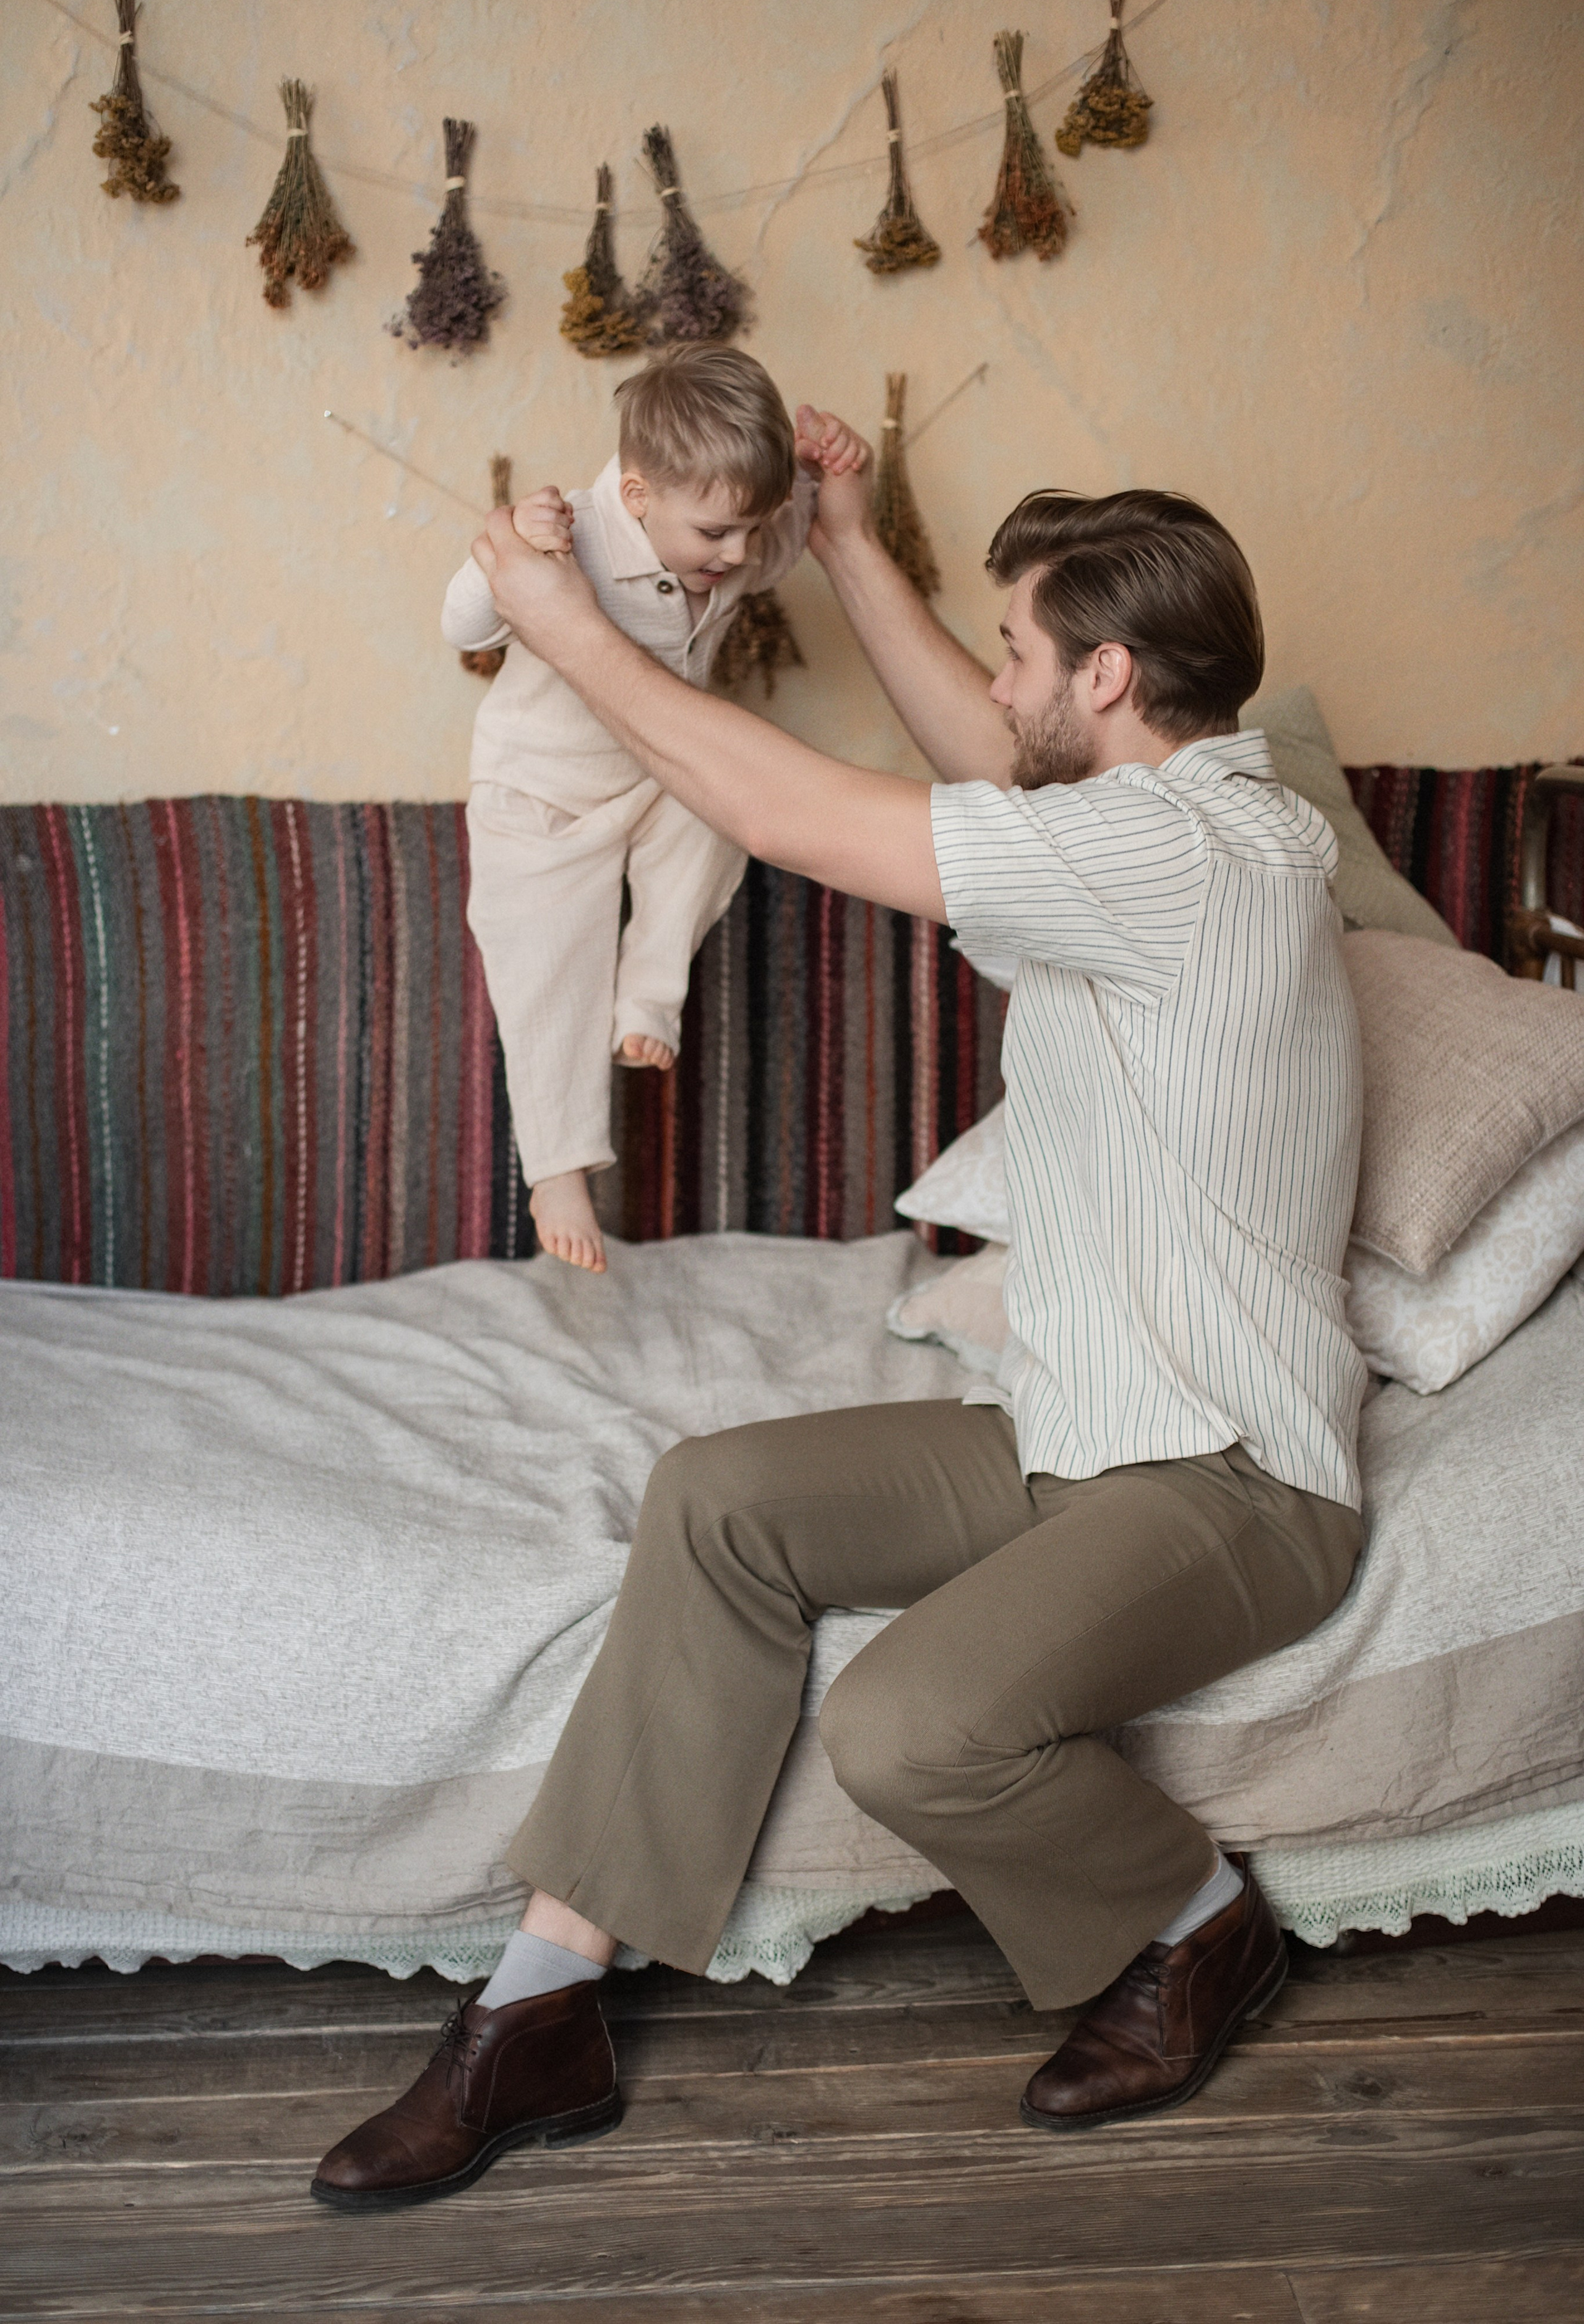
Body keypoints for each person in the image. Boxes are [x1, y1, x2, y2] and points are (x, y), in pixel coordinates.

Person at [312, 457, 1368, 2211]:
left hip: (1237, 1478)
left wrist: (567, 628)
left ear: (1109, 676)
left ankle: (1198, 1924)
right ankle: (542, 2006)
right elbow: (990, 755)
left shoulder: (1185, 853)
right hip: (1080, 1430)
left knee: (906, 1725)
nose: (998, 683)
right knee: (720, 1499)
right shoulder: (1154, 822)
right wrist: (855, 545)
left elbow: (799, 811)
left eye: (1018, 650)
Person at [442, 343, 866, 1272]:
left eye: (750, 528)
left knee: (728, 809)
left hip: (655, 776)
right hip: (540, 794)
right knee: (544, 966)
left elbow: (782, 539)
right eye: (716, 532)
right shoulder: (573, 534)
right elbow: (462, 625)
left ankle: (649, 996)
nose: (738, 554)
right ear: (636, 495)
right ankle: (559, 1168)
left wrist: (821, 475)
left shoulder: (733, 543)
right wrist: (504, 541)